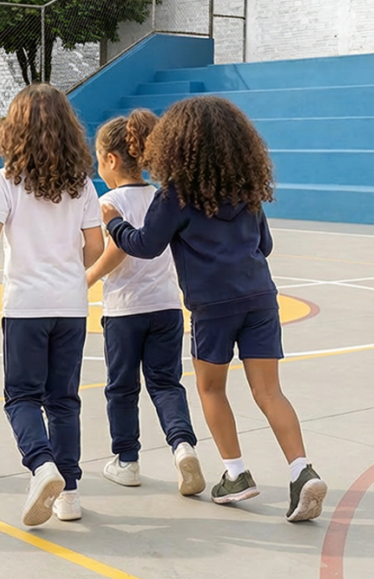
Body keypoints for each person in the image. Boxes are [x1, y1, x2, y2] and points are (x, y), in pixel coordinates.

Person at [103, 96, 326, 522]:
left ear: (176, 142)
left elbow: (146, 245)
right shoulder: (247, 191)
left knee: (211, 388)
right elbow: (265, 245)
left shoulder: (176, 195)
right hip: (261, 298)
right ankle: (302, 470)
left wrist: (115, 221)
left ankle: (236, 473)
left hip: (212, 306)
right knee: (269, 391)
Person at [0, 84, 104, 527]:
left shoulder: (6, 182)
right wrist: (72, 268)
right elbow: (96, 246)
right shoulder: (83, 186)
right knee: (64, 401)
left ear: (13, 130)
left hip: (25, 306)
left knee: (21, 397)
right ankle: (68, 493)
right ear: (69, 130)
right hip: (71, 307)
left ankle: (41, 465)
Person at [87, 110, 205, 496]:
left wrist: (85, 278)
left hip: (125, 310)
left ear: (111, 160)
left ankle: (126, 460)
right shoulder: (161, 196)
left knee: (121, 388)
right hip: (167, 306)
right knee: (167, 383)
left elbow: (120, 250)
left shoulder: (109, 202)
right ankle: (182, 446)